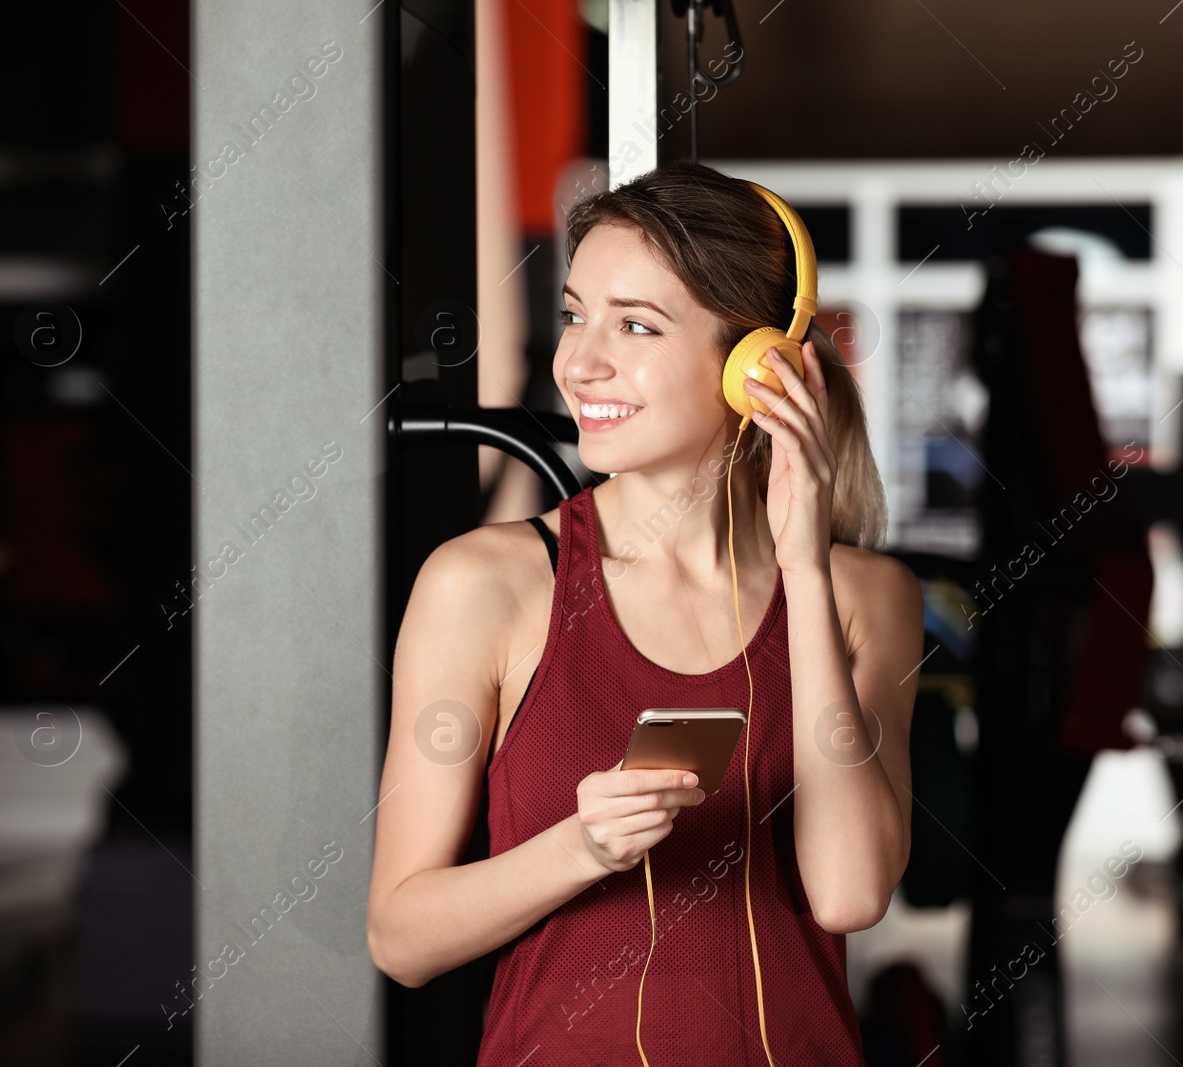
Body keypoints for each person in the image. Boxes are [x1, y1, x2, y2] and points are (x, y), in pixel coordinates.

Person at [366, 159, 926, 1065]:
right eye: (576, 314)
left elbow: (850, 895)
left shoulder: (866, 597)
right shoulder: (484, 584)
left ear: (758, 368)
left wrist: (804, 572)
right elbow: (401, 937)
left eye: (635, 324)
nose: (580, 361)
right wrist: (582, 847)